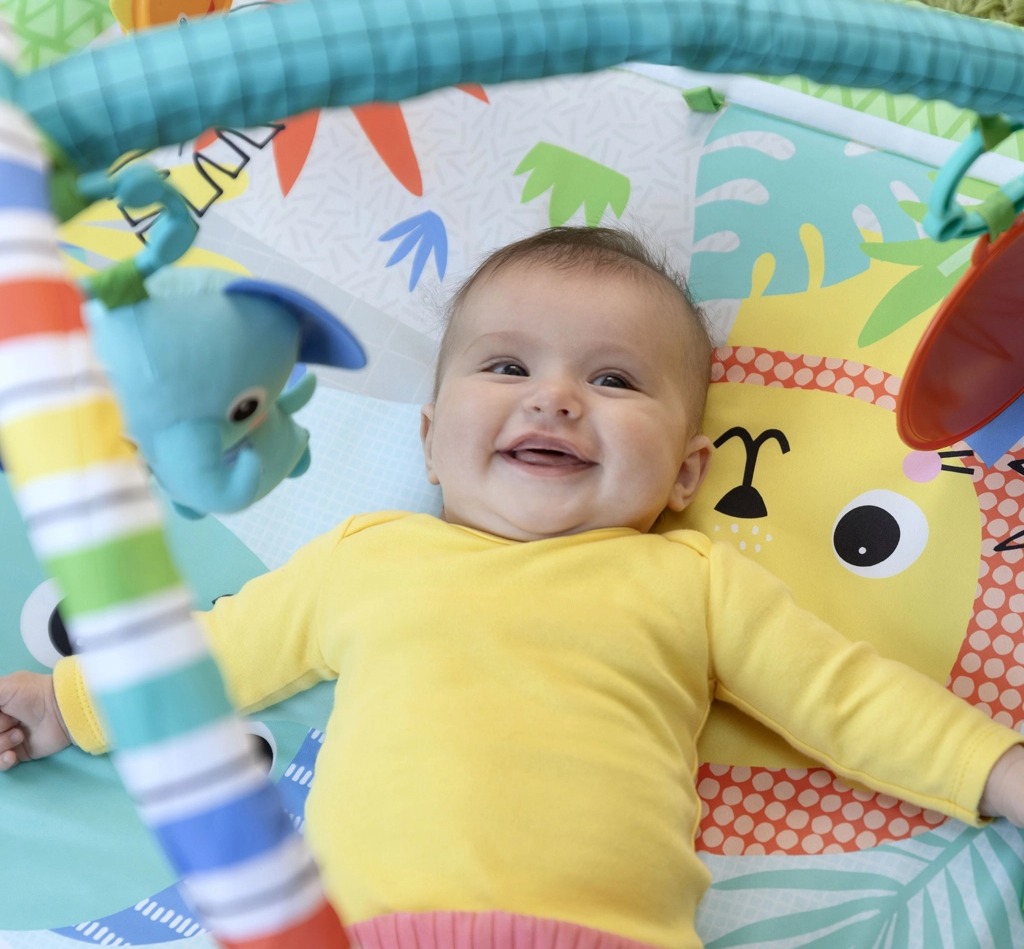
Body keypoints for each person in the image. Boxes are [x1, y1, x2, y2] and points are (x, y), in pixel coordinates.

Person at [3, 226, 1024, 949]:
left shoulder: (691, 579)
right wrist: (62, 703)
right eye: (505, 367)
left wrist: (999, 771)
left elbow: (847, 698)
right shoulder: (370, 556)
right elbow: (208, 659)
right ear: (429, 440)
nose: (556, 398)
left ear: (685, 473)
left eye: (614, 380)